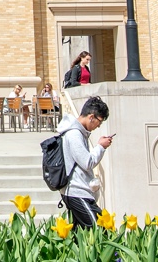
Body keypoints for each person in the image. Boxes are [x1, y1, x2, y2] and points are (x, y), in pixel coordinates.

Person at [56, 96, 113, 230]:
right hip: (77, 191)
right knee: (99, 229)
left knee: (78, 235)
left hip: (77, 191)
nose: (99, 125)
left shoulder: (78, 133)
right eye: (100, 121)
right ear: (91, 117)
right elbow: (87, 162)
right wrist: (100, 147)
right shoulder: (74, 134)